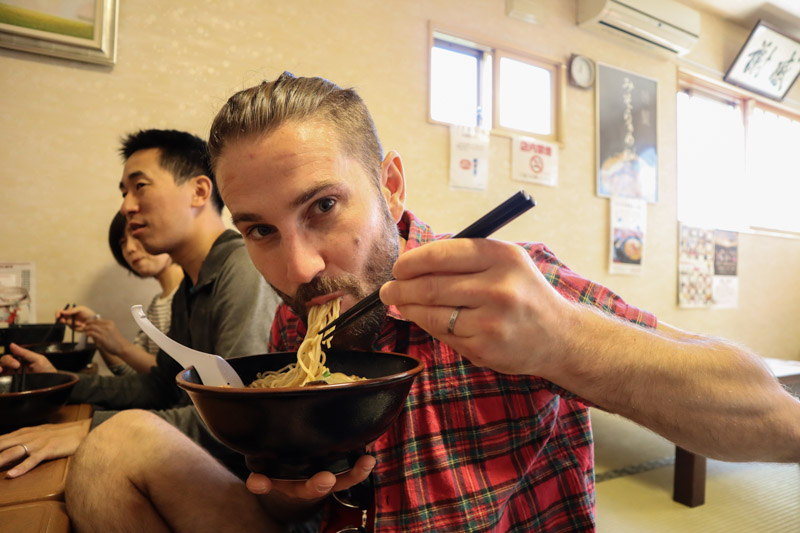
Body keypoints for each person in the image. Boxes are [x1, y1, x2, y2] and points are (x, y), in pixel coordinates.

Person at [64, 74, 800, 532]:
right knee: (110, 450)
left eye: (323, 206)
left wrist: (565, 341)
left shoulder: (505, 285)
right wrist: (292, 492)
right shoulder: (299, 315)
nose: (299, 265)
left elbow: (776, 423)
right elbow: (304, 503)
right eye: (260, 229)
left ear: (391, 184)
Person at [0, 129, 280, 480]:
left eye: (140, 186)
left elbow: (238, 415)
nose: (126, 206)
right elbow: (158, 388)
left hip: (247, 478)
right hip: (202, 461)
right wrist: (58, 382)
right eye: (124, 192)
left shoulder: (241, 270)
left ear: (199, 191)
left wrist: (92, 429)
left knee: (90, 477)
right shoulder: (186, 292)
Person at [58, 211, 184, 376]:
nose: (129, 249)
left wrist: (121, 346)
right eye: (123, 243)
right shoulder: (156, 304)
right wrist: (95, 326)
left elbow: (178, 377)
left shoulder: (190, 298)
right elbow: (134, 373)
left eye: (137, 235)